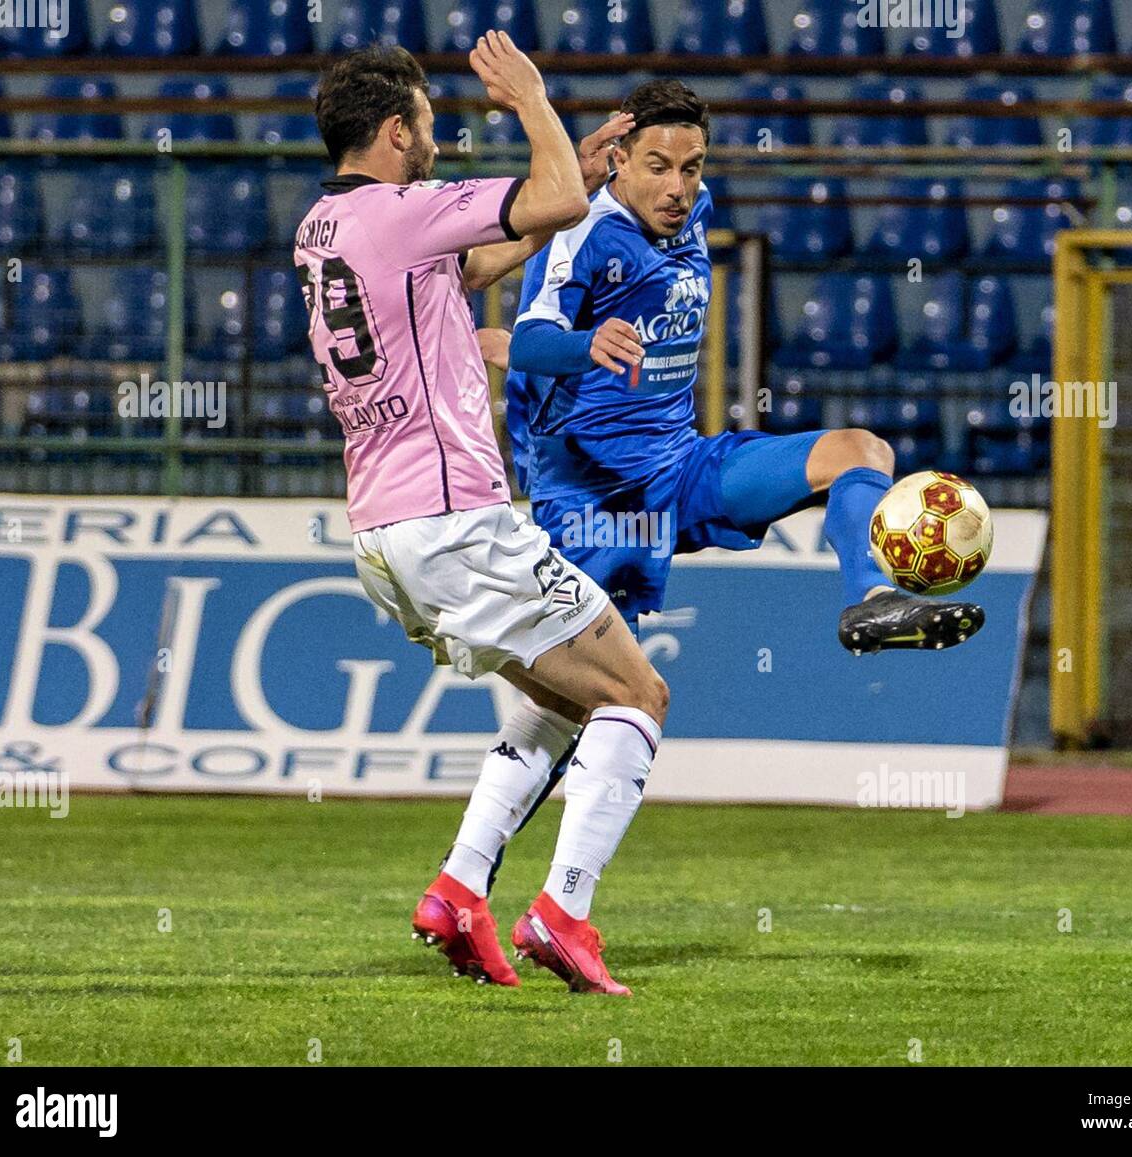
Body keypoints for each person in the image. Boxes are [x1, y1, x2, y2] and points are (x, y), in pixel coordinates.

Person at [295, 34, 659, 996]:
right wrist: (536, 104)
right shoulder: (402, 209)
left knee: (556, 697)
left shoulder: (325, 230)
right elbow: (565, 204)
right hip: (456, 517)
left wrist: (558, 172)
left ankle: (459, 890)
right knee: (636, 695)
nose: (435, 140)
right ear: (390, 131)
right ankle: (563, 912)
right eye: (423, 124)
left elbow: (470, 267)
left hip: (383, 534)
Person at [498, 78, 986, 657]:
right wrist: (587, 345)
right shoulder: (580, 231)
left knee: (859, 450)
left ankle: (875, 598)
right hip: (595, 498)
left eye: (691, 167)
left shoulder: (693, 209)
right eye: (658, 167)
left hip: (680, 467)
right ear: (617, 160)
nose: (677, 188)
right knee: (608, 706)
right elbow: (528, 341)